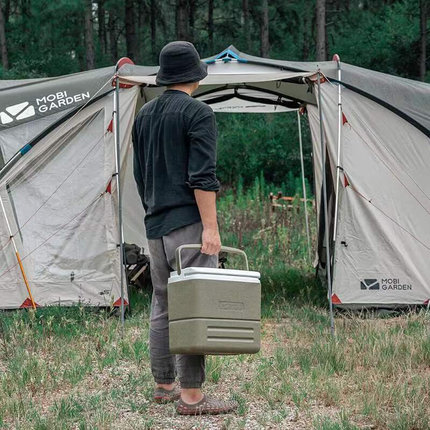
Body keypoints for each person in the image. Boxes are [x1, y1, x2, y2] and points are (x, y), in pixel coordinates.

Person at [132, 41, 237, 415]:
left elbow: (139, 176)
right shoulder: (199, 113)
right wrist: (210, 228)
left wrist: (153, 213)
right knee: (194, 305)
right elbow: (202, 178)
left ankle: (164, 385)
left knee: (161, 302)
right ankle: (192, 397)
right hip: (187, 224)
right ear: (195, 75)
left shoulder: (143, 116)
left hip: (155, 224)